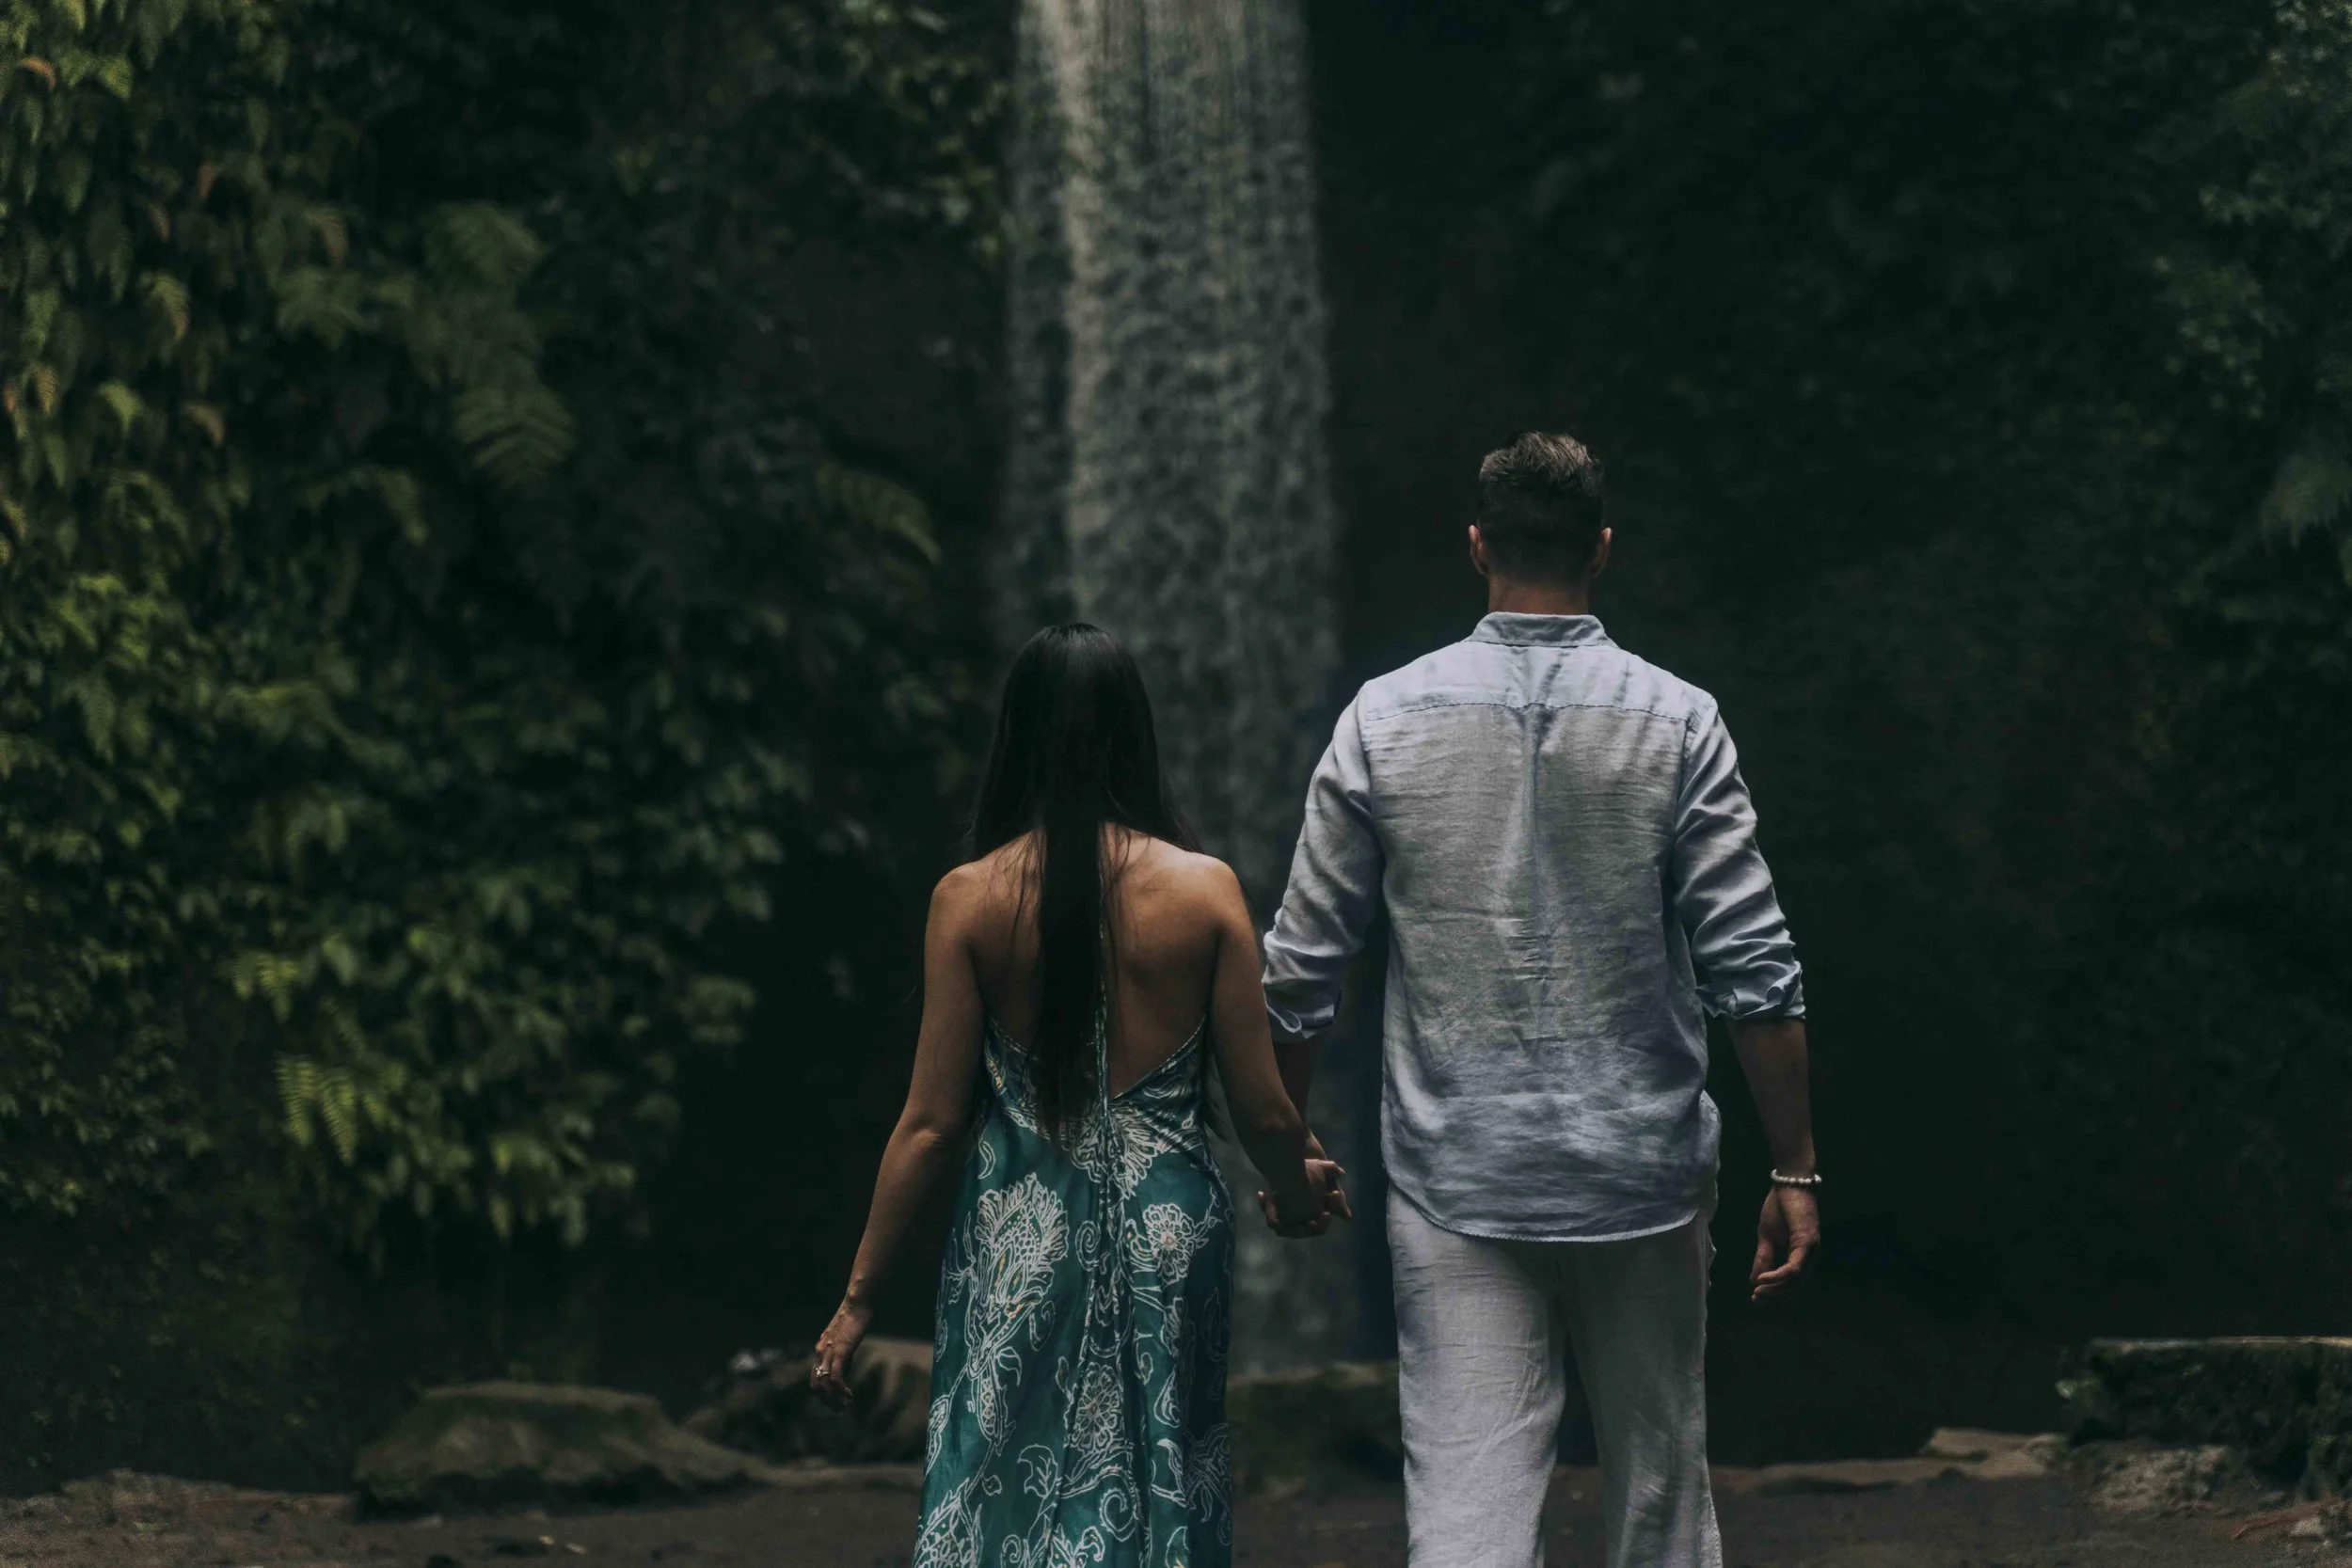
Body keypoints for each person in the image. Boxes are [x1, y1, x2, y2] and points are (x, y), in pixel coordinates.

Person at [1260, 432, 1821, 1568]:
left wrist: (1285, 1147)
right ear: (1601, 549)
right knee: (1660, 1500)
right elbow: (1753, 967)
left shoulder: (1383, 716)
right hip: (1643, 1172)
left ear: (1477, 547)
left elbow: (1300, 968)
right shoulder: (1679, 719)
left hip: (1455, 1170)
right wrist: (1795, 1164)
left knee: (1466, 1512)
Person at [811, 624, 1345, 1568]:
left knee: (1004, 1475)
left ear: (1013, 738)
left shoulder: (968, 897)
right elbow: (1263, 1110)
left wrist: (857, 1300)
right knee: (1164, 1467)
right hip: (1172, 1232)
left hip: (1021, 1232)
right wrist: (1297, 1189)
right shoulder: (1205, 889)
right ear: (1137, 734)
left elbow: (932, 1124)